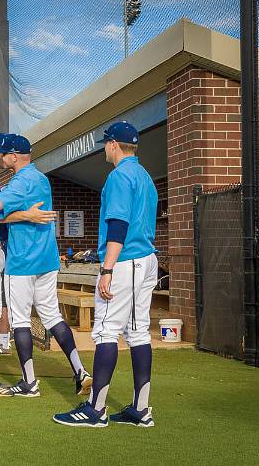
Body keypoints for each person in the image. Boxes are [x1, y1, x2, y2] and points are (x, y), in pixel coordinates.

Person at [0, 134, 92, 398]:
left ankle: (29, 383)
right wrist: (24, 213)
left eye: (6, 153)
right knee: (50, 316)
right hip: (46, 258)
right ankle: (80, 371)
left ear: (13, 156)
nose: (2, 157)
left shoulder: (18, 181)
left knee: (16, 320)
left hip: (22, 259)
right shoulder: (40, 178)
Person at [53, 121, 158, 428]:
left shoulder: (119, 176)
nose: (104, 148)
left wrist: (107, 268)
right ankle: (141, 409)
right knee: (138, 333)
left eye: (105, 143)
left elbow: (119, 225)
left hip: (124, 261)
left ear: (114, 144)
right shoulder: (145, 176)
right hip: (146, 260)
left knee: (106, 331)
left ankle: (95, 410)